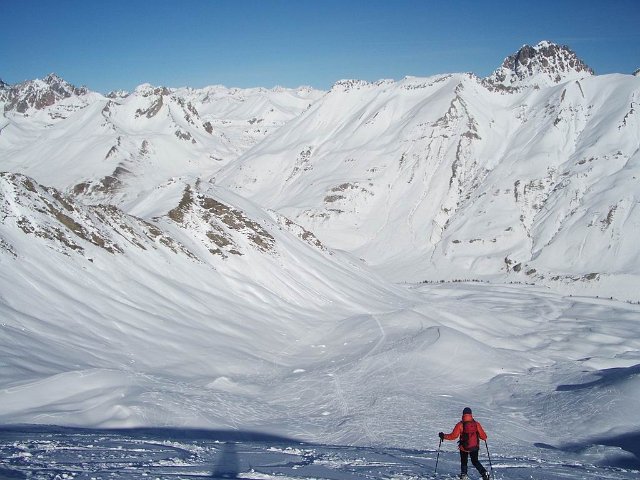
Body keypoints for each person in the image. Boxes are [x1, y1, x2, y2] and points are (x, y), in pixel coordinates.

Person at [439, 407, 490, 480]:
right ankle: (484, 473)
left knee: (464, 461)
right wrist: (484, 437)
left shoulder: (460, 424)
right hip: (474, 447)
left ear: (463, 414)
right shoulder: (476, 424)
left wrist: (443, 436)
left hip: (464, 447)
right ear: (471, 414)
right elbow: (483, 436)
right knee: (475, 461)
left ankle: (464, 475)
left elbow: (453, 436)